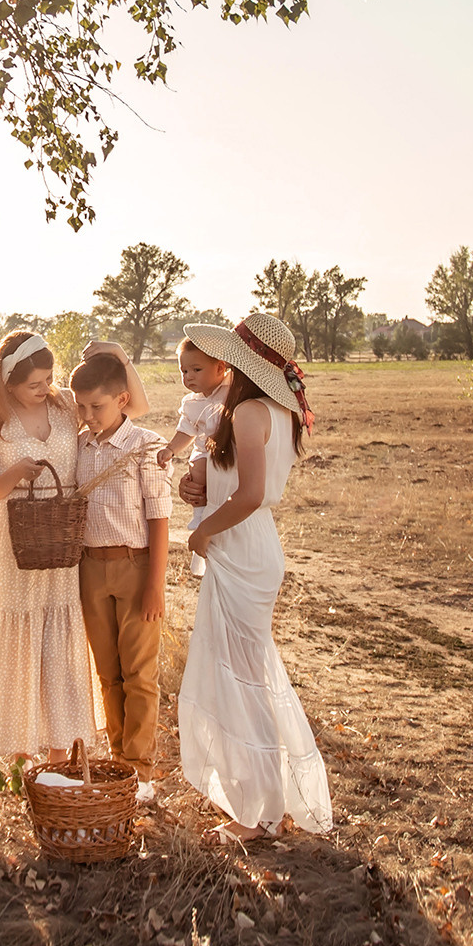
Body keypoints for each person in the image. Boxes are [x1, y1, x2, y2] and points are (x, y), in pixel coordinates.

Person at [174, 312, 333, 844]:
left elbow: (249, 494)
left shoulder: (247, 412)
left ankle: (260, 813)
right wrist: (197, 489)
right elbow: (232, 484)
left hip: (242, 546)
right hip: (249, 543)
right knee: (243, 674)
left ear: (240, 363)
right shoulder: (276, 409)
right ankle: (260, 799)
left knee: (244, 679)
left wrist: (203, 532)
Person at [0, 330, 101, 762]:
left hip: (59, 539)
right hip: (12, 541)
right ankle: (20, 754)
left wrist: (115, 355)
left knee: (57, 644)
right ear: (8, 382)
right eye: (35, 383)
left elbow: (131, 407)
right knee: (18, 644)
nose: (46, 388)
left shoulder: (64, 403)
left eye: (48, 378)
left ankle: (61, 753)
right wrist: (12, 476)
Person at [68, 348, 172, 799]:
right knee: (108, 673)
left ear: (123, 399)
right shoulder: (77, 445)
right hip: (90, 568)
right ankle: (117, 763)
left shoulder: (146, 446)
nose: (88, 416)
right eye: (82, 407)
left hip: (135, 566)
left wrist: (154, 586)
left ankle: (141, 771)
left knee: (139, 675)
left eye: (97, 406)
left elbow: (160, 519)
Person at [161, 336, 231, 580]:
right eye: (184, 370)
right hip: (204, 451)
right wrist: (170, 450)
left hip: (226, 453)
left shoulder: (231, 393)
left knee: (202, 469)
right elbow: (186, 431)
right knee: (197, 467)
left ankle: (210, 514)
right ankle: (200, 514)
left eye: (196, 369)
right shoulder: (191, 402)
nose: (188, 376)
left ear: (221, 368)